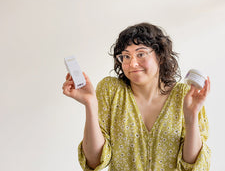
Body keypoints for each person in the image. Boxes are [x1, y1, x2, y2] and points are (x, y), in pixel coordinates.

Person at [62, 22, 211, 171]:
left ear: (160, 56)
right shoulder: (111, 90)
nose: (132, 63)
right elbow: (94, 162)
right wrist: (90, 104)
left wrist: (191, 119)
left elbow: (193, 167)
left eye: (140, 54)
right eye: (126, 56)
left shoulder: (185, 95)